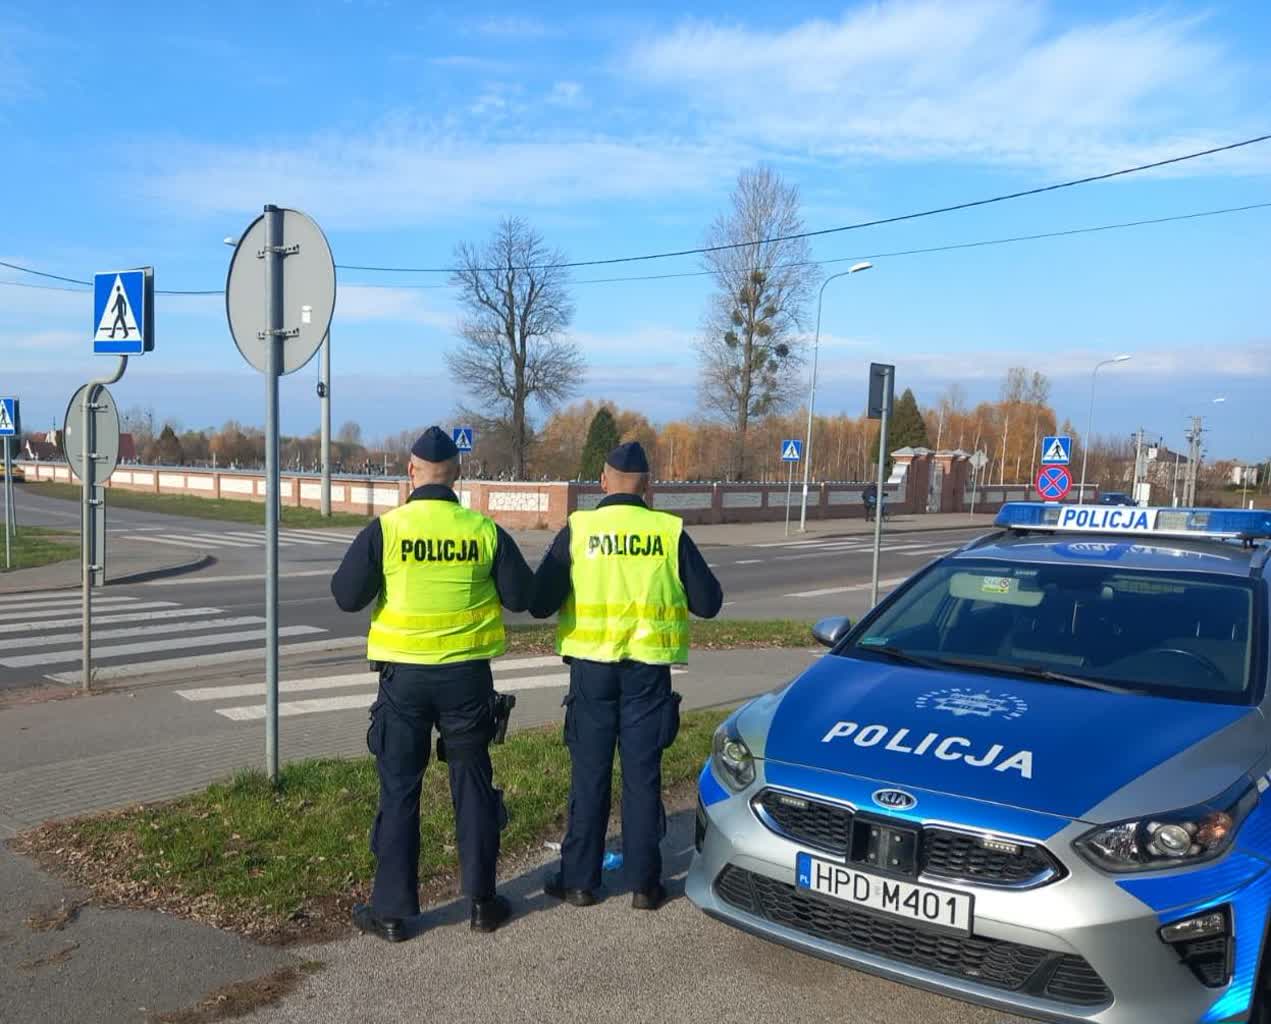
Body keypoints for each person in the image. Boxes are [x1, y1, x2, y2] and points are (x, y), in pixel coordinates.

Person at [330, 426, 533, 941]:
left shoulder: (388, 529)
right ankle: (483, 903)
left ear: (410, 472)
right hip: (466, 679)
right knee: (473, 785)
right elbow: (521, 595)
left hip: (404, 684)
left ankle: (393, 913)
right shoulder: (483, 531)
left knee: (400, 789)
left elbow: (346, 596)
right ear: (459, 474)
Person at [530, 441, 723, 910]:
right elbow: (709, 602)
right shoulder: (668, 531)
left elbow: (538, 601)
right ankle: (644, 884)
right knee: (642, 777)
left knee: (589, 776)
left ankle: (579, 881)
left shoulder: (580, 529)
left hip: (592, 673)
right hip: (648, 674)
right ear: (649, 487)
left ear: (601, 481)